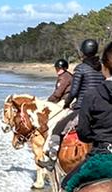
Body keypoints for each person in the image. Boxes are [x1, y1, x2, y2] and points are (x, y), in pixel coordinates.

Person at [43, 38, 106, 168]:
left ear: (83, 52)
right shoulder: (102, 68)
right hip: (101, 108)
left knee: (58, 128)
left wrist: (66, 104)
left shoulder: (81, 69)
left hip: (83, 108)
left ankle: (51, 160)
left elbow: (74, 91)